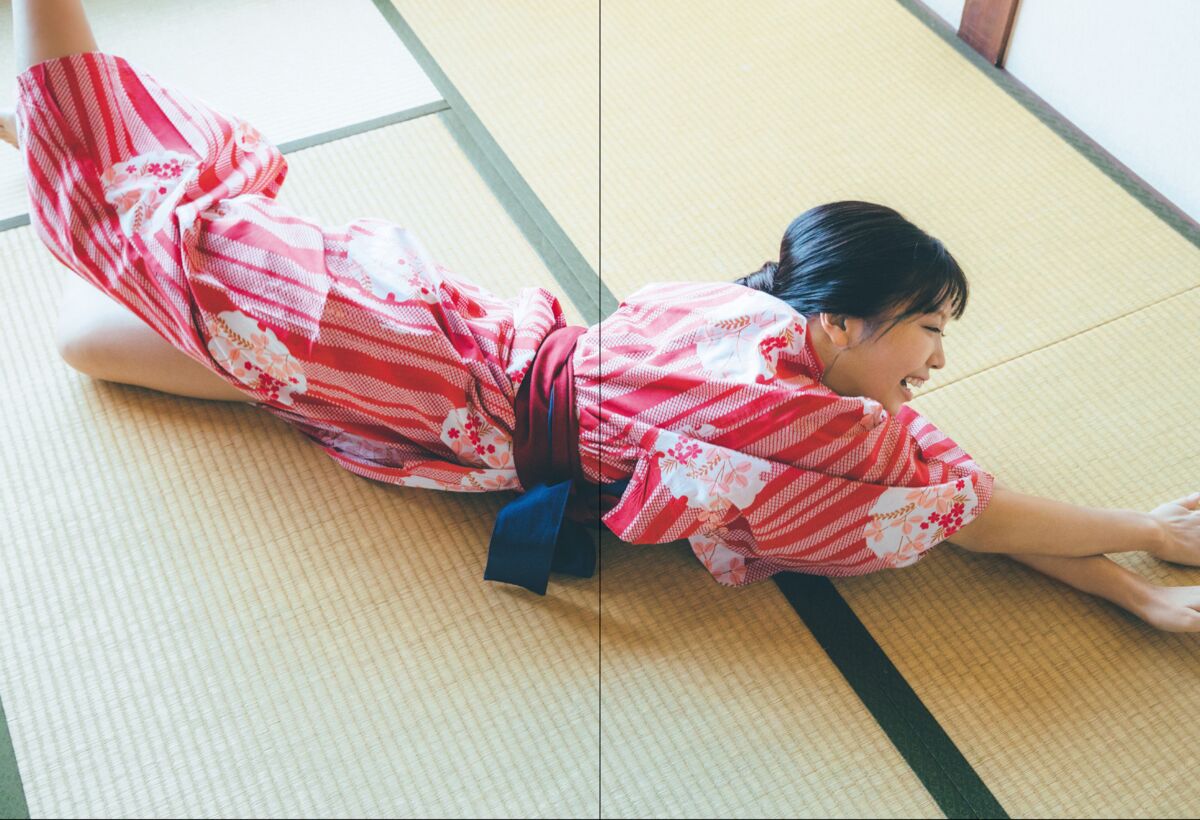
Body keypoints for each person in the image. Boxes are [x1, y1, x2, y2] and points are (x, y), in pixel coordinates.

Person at [9, 0, 1200, 631]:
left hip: (441, 363)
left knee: (93, 340)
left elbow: (960, 495)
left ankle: (48, 145)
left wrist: (1138, 586)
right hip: (407, 354)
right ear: (844, 323)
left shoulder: (753, 322)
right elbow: (972, 513)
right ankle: (54, 113)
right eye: (928, 326)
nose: (938, 359)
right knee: (140, 214)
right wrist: (1140, 529)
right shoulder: (800, 421)